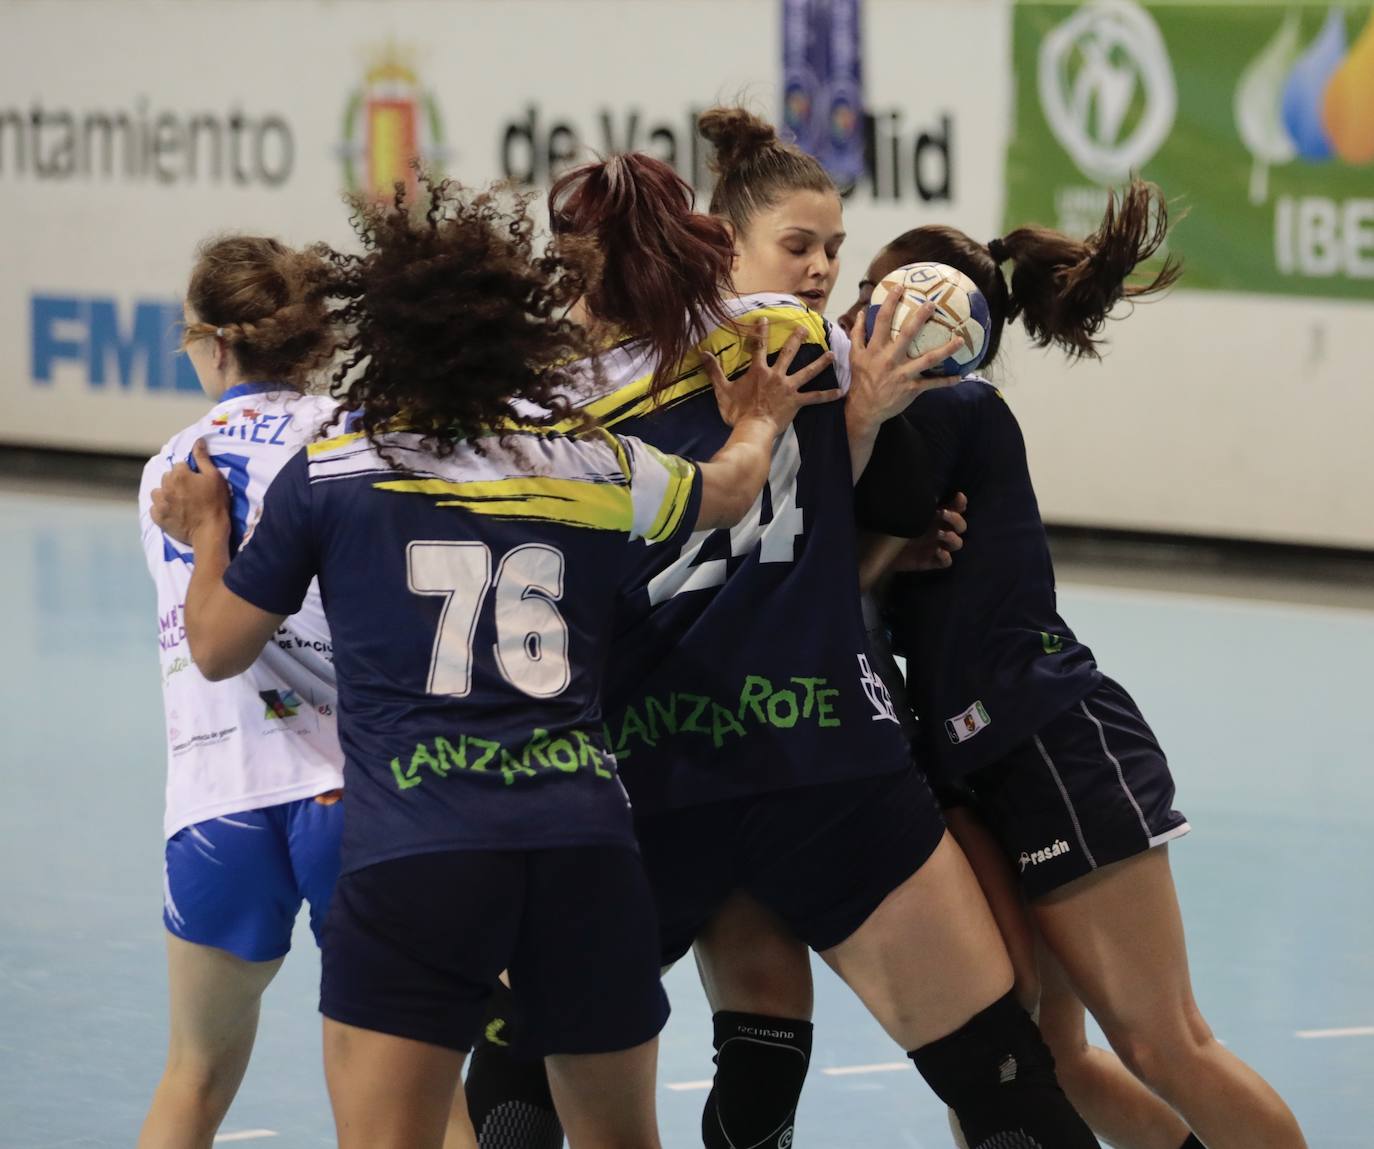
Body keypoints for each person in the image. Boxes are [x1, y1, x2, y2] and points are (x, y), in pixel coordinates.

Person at [149, 177, 837, 1149]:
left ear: (378, 329)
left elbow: (218, 646)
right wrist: (761, 418)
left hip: (415, 856)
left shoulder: (338, 463)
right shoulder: (583, 459)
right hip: (580, 845)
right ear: (515, 331)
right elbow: (726, 493)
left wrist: (211, 531)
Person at [539, 139, 1103, 1148]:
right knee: (1001, 1079)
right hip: (824, 758)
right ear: (708, 244)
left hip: (649, 776)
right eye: (800, 244)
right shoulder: (787, 335)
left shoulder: (541, 408)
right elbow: (934, 335)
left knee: (522, 1074)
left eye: (831, 249)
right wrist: (947, 317)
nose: (819, 268)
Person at [841, 181, 1309, 1149]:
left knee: (1163, 1041)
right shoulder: (901, 429)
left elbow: (842, 548)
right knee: (1040, 1063)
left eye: (871, 298)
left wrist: (886, 549)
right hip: (966, 764)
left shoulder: (951, 407)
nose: (854, 319)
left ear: (928, 310)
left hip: (1043, 738)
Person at [135, 235, 346, 1149]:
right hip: (352, 786)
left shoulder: (168, 469)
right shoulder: (352, 432)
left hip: (217, 794)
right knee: (410, 1096)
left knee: (193, 1075)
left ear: (216, 343)